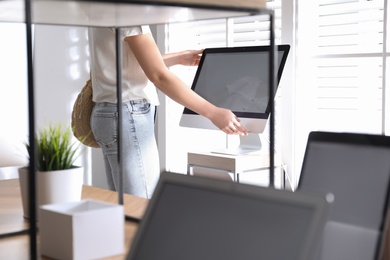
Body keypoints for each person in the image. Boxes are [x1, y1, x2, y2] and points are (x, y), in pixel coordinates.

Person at [88, 25, 248, 199]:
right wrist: (213, 112)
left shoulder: (108, 9)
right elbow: (159, 76)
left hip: (108, 111)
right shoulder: (131, 13)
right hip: (128, 114)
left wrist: (179, 57)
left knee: (125, 208)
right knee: (141, 206)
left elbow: (132, 63)